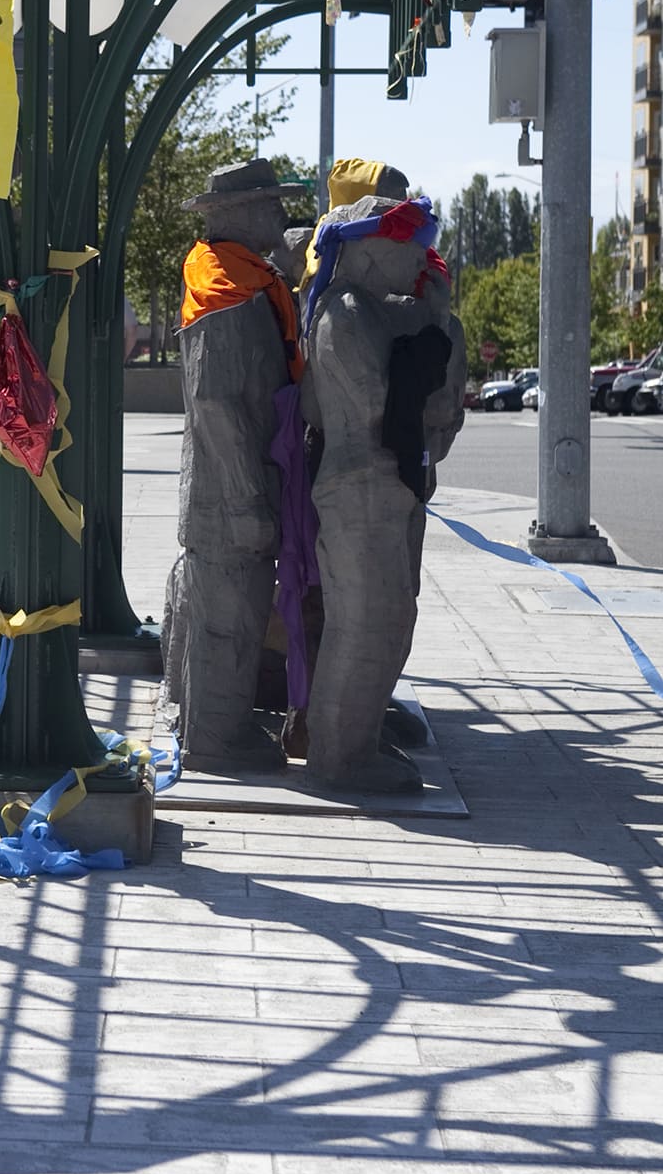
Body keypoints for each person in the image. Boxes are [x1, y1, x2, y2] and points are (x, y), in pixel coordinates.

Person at [300, 193, 465, 793]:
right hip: (357, 486)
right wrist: (430, 339)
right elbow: (374, 402)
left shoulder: (366, 310)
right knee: (364, 621)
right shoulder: (344, 314)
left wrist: (431, 328)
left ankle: (355, 744)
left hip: (375, 486)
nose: (418, 260)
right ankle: (339, 756)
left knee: (388, 617)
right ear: (370, 251)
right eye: (407, 247)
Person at [162, 158, 306, 773]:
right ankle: (216, 742)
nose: (280, 214)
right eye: (270, 203)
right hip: (228, 499)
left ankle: (214, 726)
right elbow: (217, 403)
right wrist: (250, 496)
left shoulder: (242, 284)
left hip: (229, 492)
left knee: (230, 612)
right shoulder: (227, 296)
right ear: (238, 215)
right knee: (230, 617)